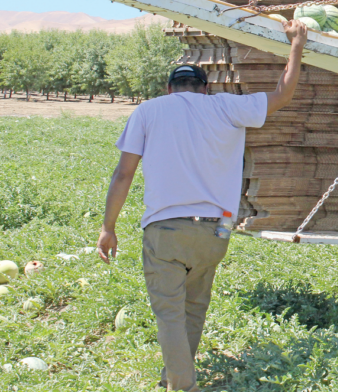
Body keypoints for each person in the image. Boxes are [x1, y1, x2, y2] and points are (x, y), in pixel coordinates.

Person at [97, 20, 308, 392]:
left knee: (169, 312)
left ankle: (182, 386)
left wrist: (108, 227)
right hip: (218, 230)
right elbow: (283, 94)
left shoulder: (149, 111)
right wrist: (296, 45)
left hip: (167, 230)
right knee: (193, 308)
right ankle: (175, 377)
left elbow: (123, 174)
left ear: (169, 88)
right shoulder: (226, 107)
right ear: (205, 88)